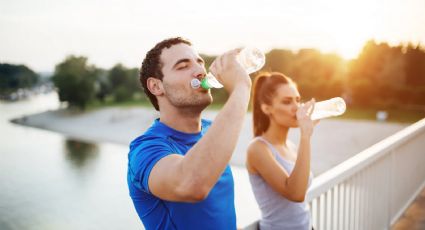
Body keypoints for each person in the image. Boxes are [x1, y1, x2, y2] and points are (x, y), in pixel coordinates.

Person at [127, 37, 252, 230]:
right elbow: (191, 184)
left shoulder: (212, 130)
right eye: (183, 66)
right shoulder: (145, 150)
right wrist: (241, 87)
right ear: (156, 86)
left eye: (200, 62)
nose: (200, 71)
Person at [246, 72, 318, 230]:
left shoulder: (290, 146)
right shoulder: (258, 148)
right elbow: (296, 194)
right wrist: (305, 136)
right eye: (287, 102)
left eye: (298, 100)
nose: (297, 108)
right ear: (267, 108)